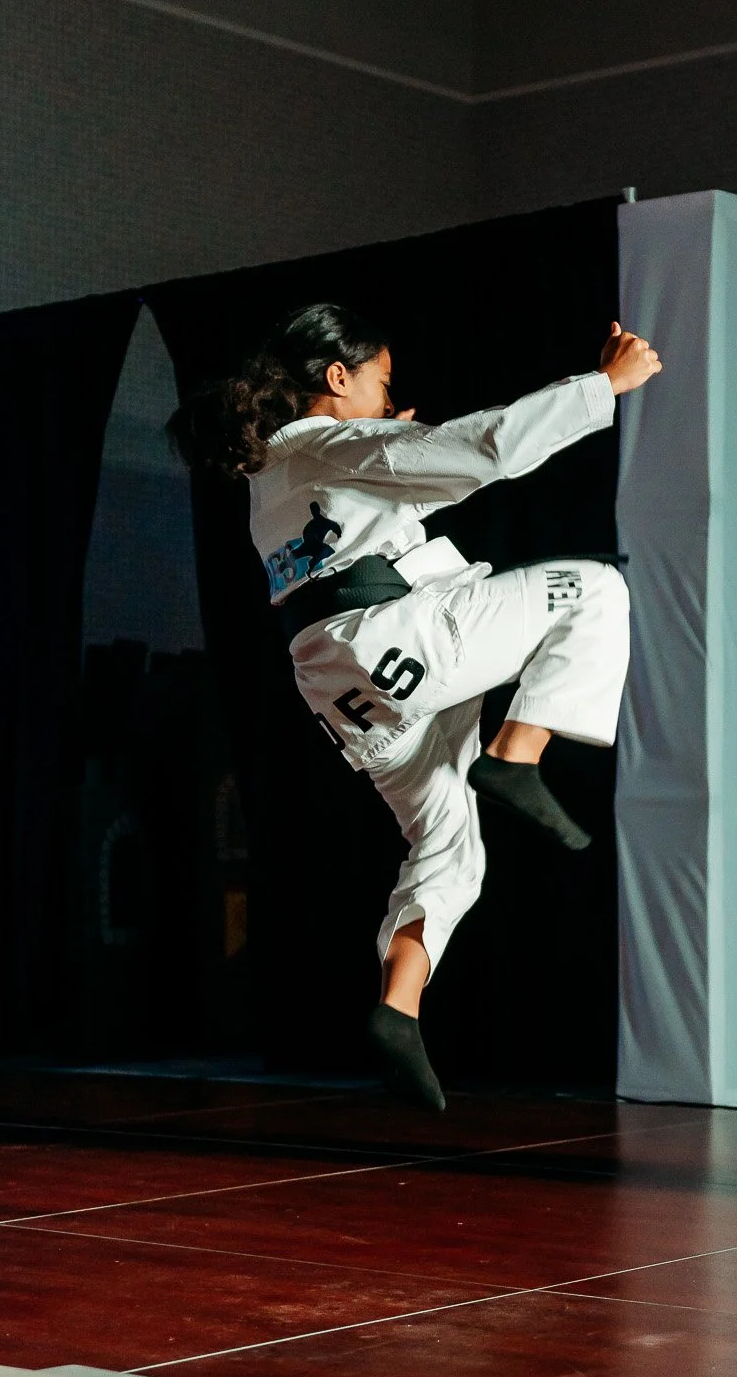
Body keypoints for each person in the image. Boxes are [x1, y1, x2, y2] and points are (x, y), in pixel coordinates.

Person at [203, 303, 660, 1110]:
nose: (388, 398)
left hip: (345, 687)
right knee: (592, 590)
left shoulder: (273, 471)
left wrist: (386, 446)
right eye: (380, 383)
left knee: (450, 842)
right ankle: (516, 757)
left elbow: (369, 530)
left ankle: (398, 1009)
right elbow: (483, 447)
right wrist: (603, 385)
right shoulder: (335, 446)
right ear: (336, 379)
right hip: (392, 638)